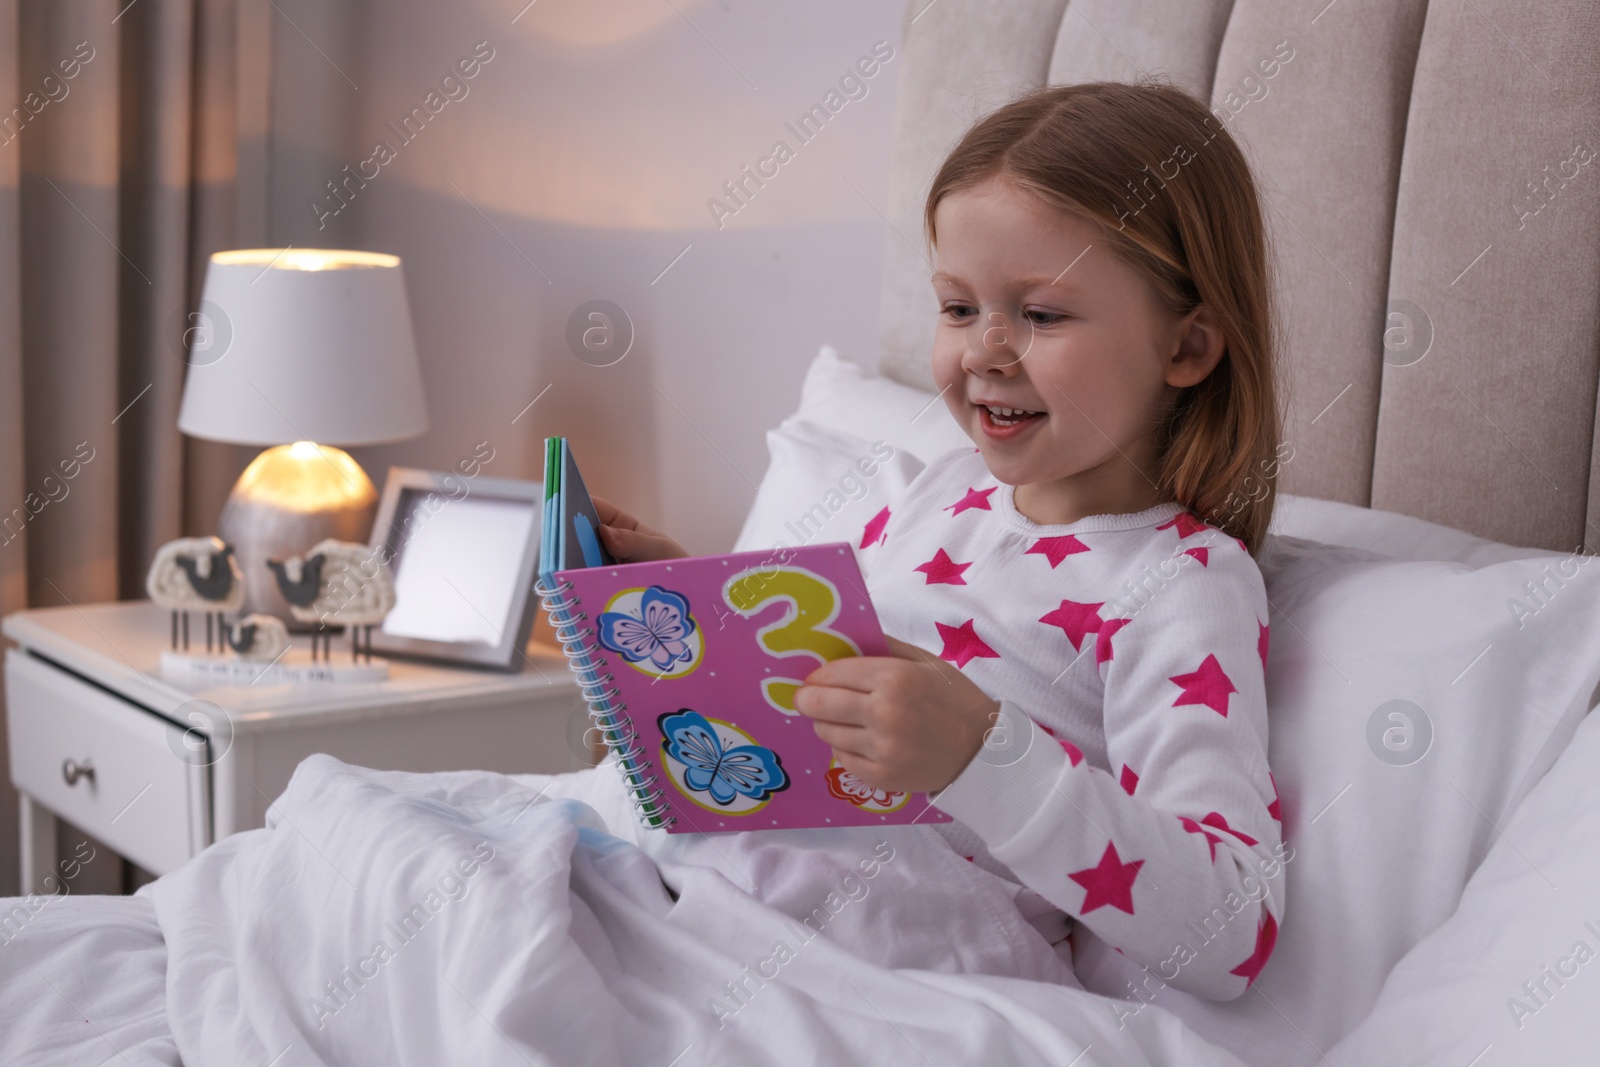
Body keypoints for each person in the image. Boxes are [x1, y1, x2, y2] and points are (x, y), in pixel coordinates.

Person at [590, 79, 1290, 1003]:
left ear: (1188, 348)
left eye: (1040, 314)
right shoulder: (943, 491)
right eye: (958, 308)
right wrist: (690, 618)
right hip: (735, 865)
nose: (985, 351)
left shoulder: (1181, 581)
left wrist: (983, 752)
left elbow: (1229, 927)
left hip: (894, 939)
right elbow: (826, 689)